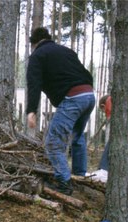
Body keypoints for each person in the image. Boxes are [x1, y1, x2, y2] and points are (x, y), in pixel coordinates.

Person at [26, 27, 96, 195]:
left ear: (34, 43)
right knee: (77, 137)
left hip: (73, 98)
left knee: (53, 142)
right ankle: (80, 176)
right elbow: (86, 74)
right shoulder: (66, 51)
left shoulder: (38, 55)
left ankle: (64, 183)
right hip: (89, 96)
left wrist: (31, 111)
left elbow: (33, 84)